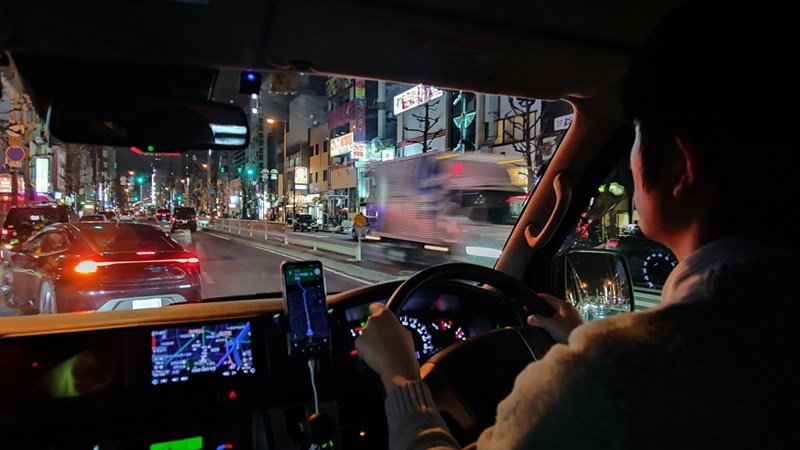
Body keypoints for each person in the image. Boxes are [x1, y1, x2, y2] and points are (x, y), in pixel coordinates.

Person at [354, 2, 799, 449]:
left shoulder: (606, 377)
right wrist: (579, 337)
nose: (630, 157)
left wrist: (400, 376)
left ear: (681, 167)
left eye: (637, 134)